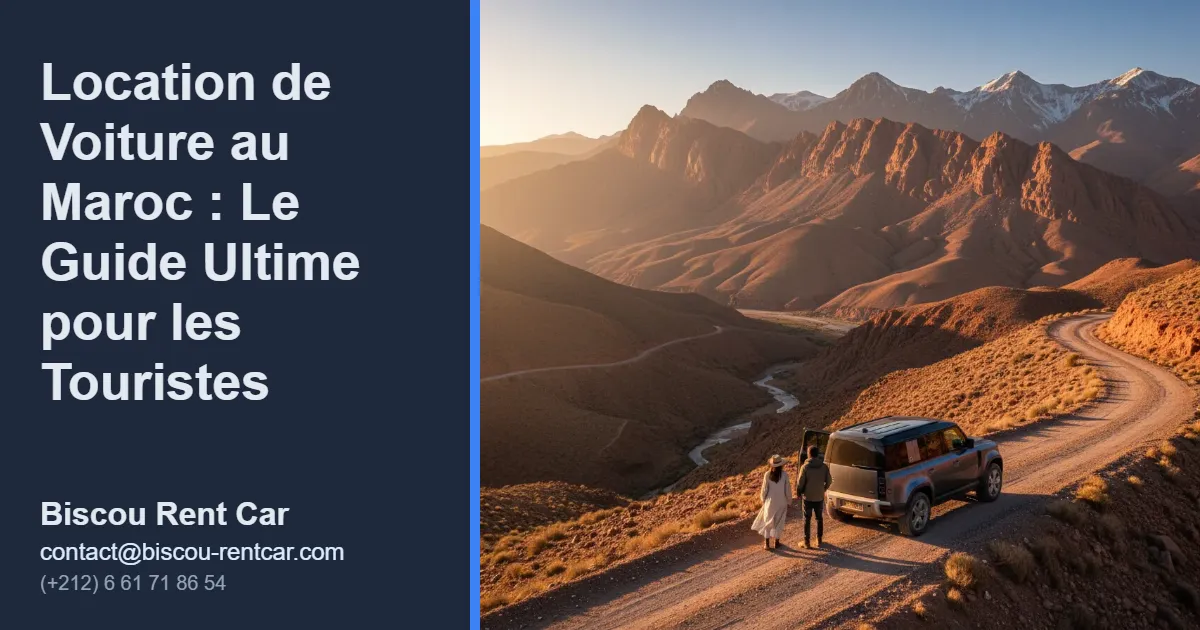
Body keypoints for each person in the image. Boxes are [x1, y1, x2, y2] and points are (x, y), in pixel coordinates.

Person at [751, 454, 791, 550]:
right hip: (782, 502)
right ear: (781, 465)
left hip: (770, 502)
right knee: (779, 522)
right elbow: (787, 490)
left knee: (768, 522)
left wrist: (763, 499)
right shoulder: (785, 475)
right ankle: (777, 543)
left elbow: (764, 489)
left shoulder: (767, 474)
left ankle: (767, 544)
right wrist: (789, 500)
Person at [796, 445, 833, 548]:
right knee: (819, 518)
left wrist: (799, 492)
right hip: (819, 497)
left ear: (809, 454)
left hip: (807, 497)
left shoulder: (805, 467)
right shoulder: (824, 466)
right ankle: (819, 540)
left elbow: (800, 483)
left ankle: (806, 542)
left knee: (807, 519)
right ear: (817, 454)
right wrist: (823, 489)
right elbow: (829, 481)